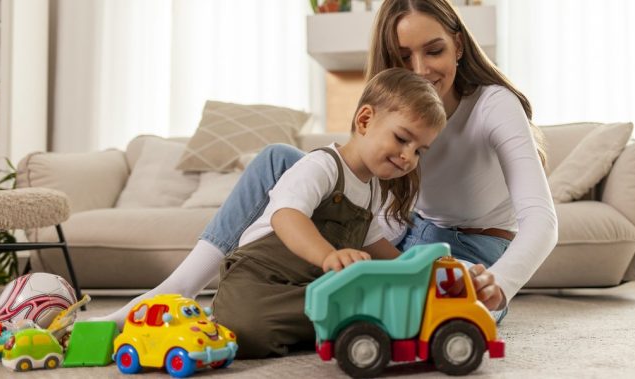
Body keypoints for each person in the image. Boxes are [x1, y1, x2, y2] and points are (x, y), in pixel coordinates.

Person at [96, 0, 557, 342]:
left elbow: (542, 221)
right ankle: (176, 290)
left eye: (434, 50)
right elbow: (363, 192)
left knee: (440, 325)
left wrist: (502, 282)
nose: (421, 70)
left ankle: (287, 315)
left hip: (473, 245)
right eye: (403, 58)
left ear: (458, 44)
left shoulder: (495, 105)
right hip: (410, 232)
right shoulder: (393, 114)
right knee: (280, 159)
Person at [212, 68, 446, 358]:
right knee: (244, 329)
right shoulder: (322, 166)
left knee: (369, 306)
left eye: (420, 151)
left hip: (308, 286)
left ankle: (326, 327)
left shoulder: (373, 188)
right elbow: (286, 215)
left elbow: (372, 242)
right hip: (258, 278)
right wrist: (327, 255)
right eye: (401, 139)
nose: (408, 157)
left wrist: (415, 270)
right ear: (364, 120)